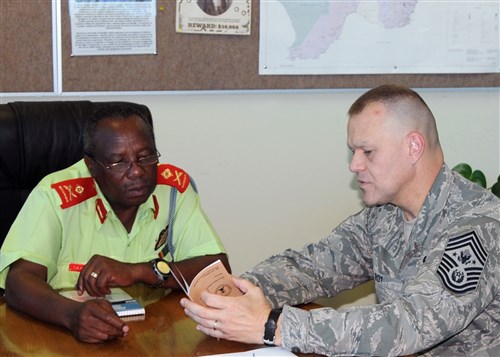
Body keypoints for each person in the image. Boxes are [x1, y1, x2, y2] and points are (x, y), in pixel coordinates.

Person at [180, 85, 499, 356]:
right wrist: (236, 295)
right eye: (353, 152)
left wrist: (273, 326)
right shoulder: (385, 214)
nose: (355, 165)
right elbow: (313, 267)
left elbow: (409, 325)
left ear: (413, 147)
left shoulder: (477, 224)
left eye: (368, 152)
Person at [0, 103, 229, 343]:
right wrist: (72, 315)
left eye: (145, 157)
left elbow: (217, 270)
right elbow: (19, 281)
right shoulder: (56, 196)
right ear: (91, 166)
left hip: (153, 333)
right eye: (119, 162)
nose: (137, 172)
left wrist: (138, 271)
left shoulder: (172, 190)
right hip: (65, 337)